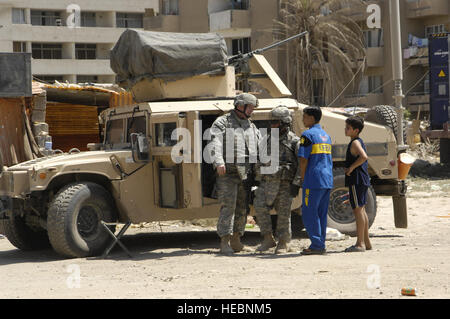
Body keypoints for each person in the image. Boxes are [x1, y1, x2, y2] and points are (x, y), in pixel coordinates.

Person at [209, 93, 261, 254]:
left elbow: (259, 144)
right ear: (240, 106)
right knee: (228, 207)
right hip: (228, 172)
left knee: (242, 208)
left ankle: (236, 240)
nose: (252, 110)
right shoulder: (223, 122)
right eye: (250, 107)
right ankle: (224, 242)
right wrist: (219, 162)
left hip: (245, 173)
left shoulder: (251, 125)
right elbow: (214, 142)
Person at [254, 105, 301, 254]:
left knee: (283, 214)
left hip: (284, 184)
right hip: (266, 183)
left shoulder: (294, 141)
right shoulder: (266, 139)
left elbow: (301, 165)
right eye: (271, 122)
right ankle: (268, 239)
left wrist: (296, 183)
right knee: (259, 208)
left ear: (284, 123)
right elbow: (258, 161)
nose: (272, 125)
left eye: (276, 122)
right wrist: (256, 180)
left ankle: (283, 242)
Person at [297, 106, 333, 255]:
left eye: (304, 116)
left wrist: (303, 177)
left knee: (309, 213)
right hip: (327, 179)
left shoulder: (307, 135)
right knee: (321, 214)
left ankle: (317, 246)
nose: (303, 119)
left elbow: (303, 159)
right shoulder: (326, 135)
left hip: (313, 180)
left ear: (312, 118)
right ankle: (320, 243)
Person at [343, 116, 372, 252]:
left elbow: (364, 157)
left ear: (356, 130)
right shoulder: (357, 141)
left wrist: (351, 168)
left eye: (348, 128)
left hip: (356, 179)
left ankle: (359, 244)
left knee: (358, 210)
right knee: (362, 209)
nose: (345, 130)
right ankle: (366, 242)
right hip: (362, 179)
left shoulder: (355, 143)